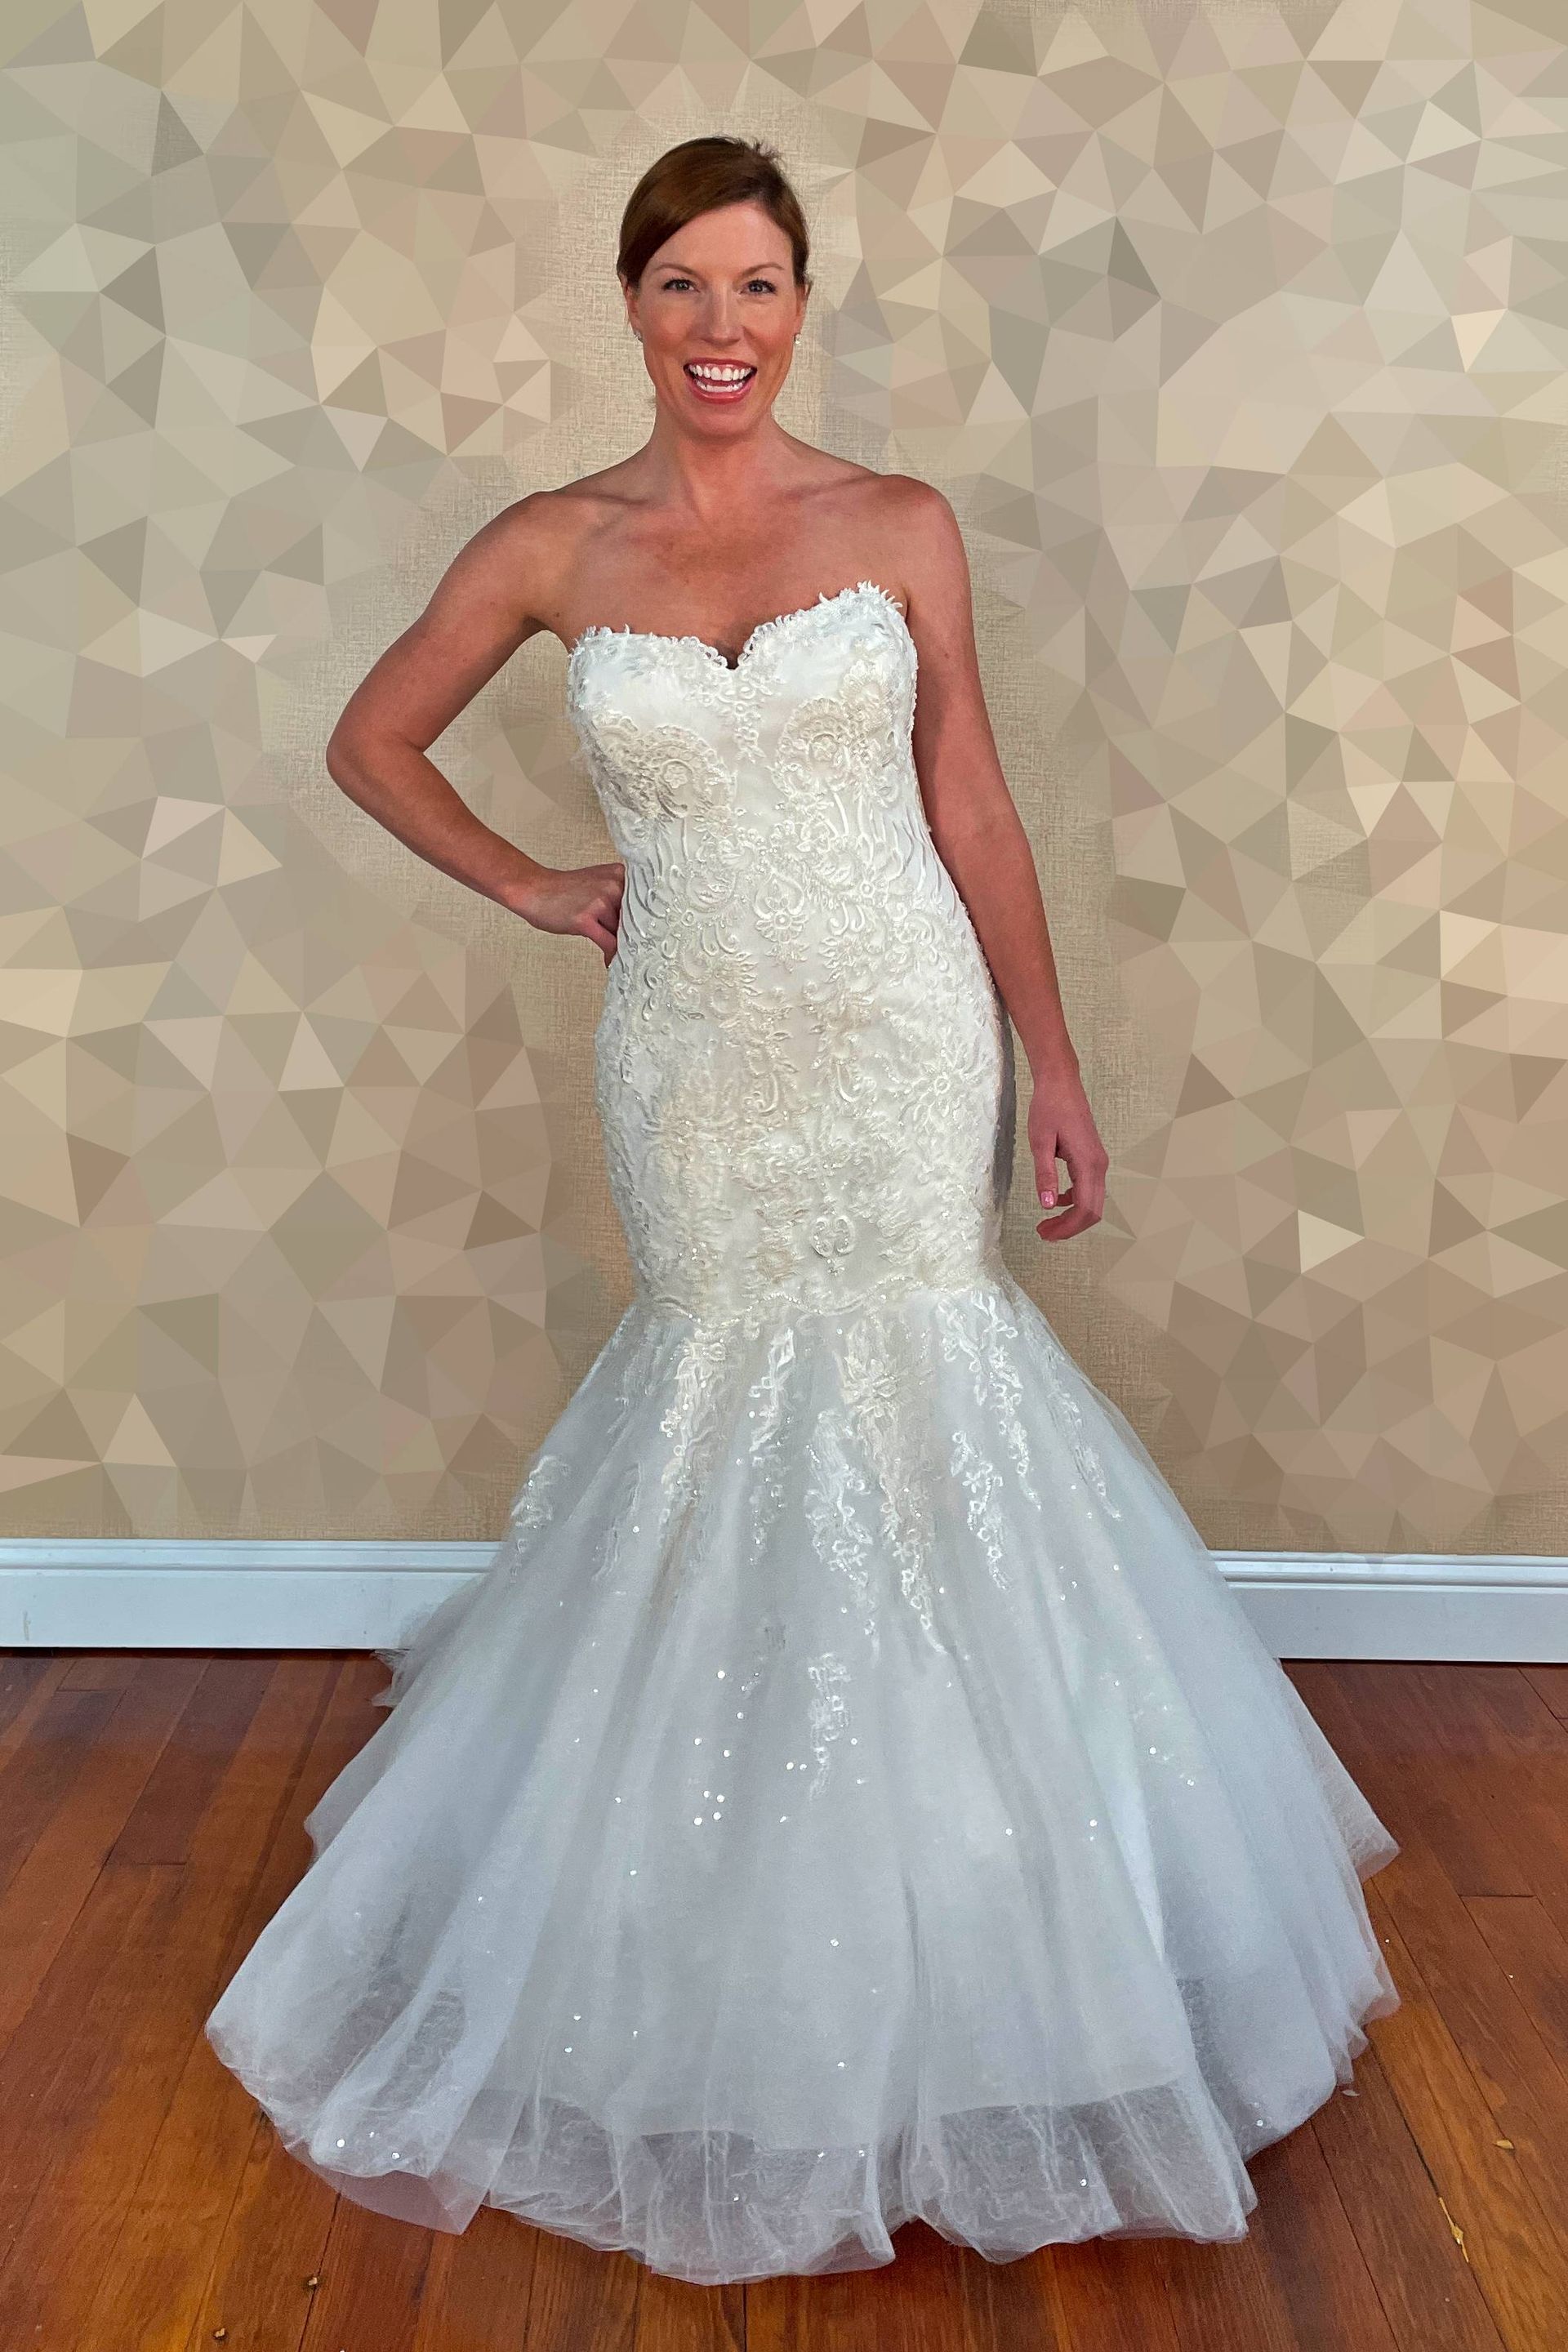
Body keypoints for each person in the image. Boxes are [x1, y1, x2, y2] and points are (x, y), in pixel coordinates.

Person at [205, 133, 1400, 2287]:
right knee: (729, 1413)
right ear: (631, 306)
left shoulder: (900, 526)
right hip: (697, 1049)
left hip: (901, 1030)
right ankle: (720, 1951)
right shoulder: (560, 545)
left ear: (805, 302)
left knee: (929, 1396)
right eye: (682, 287)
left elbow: (971, 797)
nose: (722, 329)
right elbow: (375, 740)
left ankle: (1017, 1968)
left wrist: (1050, 1056)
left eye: (759, 287)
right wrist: (531, 880)